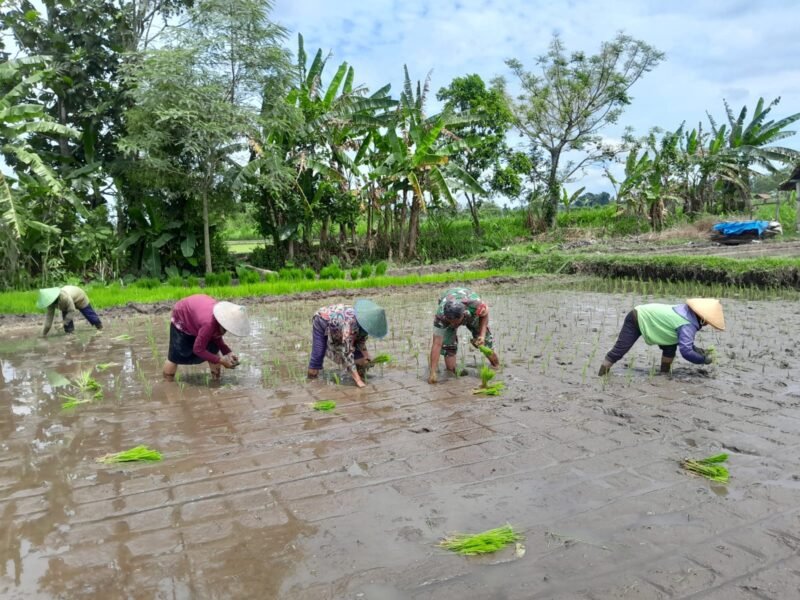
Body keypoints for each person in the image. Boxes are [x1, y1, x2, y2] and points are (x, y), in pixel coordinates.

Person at [598, 298, 725, 376]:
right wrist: (703, 360)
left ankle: (664, 373)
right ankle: (602, 373)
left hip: (656, 322)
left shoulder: (687, 311)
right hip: (638, 317)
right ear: (702, 317)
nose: (708, 324)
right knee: (620, 349)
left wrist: (698, 350)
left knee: (670, 346)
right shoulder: (687, 324)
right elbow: (686, 351)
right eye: (708, 321)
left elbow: (685, 342)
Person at [162, 294, 250, 380]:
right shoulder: (209, 324)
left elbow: (216, 336)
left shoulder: (219, 318)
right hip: (182, 315)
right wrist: (222, 361)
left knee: (213, 351)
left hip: (199, 315)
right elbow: (198, 349)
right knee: (175, 357)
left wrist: (228, 352)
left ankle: (216, 380)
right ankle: (168, 384)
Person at [306, 299, 388, 388]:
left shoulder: (364, 325)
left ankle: (358, 373)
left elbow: (360, 341)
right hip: (322, 319)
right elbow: (347, 353)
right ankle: (311, 379)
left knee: (361, 360)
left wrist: (367, 356)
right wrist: (358, 381)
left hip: (339, 326)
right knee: (318, 352)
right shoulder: (349, 325)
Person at [428, 287, 499, 384]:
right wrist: (433, 372)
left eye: (456, 322)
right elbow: (437, 344)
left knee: (485, 343)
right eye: (451, 322)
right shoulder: (441, 317)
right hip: (448, 305)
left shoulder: (475, 305)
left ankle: (497, 366)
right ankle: (452, 371)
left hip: (469, 311)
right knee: (449, 351)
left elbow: (484, 314)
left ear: (463, 315)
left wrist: (482, 336)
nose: (454, 325)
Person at [38, 285, 103, 336]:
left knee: (88, 313)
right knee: (66, 319)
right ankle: (70, 332)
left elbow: (72, 311)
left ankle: (99, 327)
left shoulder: (65, 297)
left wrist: (63, 323)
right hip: (67, 303)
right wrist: (43, 334)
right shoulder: (50, 303)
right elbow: (49, 319)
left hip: (80, 297)